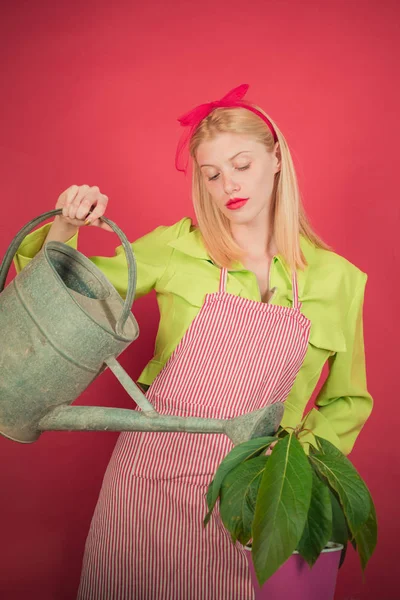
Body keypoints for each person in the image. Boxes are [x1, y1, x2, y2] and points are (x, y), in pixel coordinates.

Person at [14, 83, 373, 599]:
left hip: (254, 500)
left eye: (242, 165)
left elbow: (348, 401)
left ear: (276, 159)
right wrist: (66, 226)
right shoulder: (175, 248)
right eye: (212, 174)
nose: (229, 185)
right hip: (149, 484)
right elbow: (54, 295)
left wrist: (290, 476)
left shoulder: (340, 280)